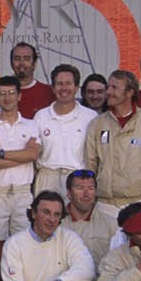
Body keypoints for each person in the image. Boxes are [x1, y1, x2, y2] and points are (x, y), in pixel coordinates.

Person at [82, 69, 141, 213]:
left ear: (130, 92)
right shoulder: (97, 124)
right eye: (108, 87)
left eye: (114, 87)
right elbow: (90, 164)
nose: (108, 92)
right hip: (106, 206)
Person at [0, 75, 40, 237]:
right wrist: (23, 156)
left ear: (19, 95)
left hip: (22, 193)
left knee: (23, 243)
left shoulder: (31, 125)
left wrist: (1, 154)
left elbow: (33, 154)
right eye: (2, 93)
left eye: (11, 93)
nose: (7, 97)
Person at [32, 64, 98, 196]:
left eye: (68, 83)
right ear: (53, 87)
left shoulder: (91, 117)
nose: (64, 88)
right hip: (47, 176)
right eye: (59, 83)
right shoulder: (41, 116)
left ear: (76, 87)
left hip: (78, 178)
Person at [62, 169, 125, 263]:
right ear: (69, 193)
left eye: (91, 188)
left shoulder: (112, 225)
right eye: (80, 188)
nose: (86, 194)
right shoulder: (56, 223)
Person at [8, 41, 54, 117]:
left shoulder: (48, 93)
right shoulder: (0, 92)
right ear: (11, 62)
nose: (21, 63)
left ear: (34, 63)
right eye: (17, 58)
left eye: (26, 58)